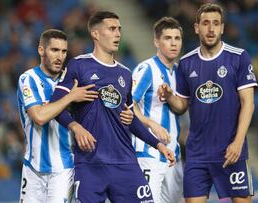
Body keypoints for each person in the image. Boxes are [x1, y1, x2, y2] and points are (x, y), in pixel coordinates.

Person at [50, 11, 175, 203]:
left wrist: (158, 145)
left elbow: (130, 117)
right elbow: (55, 106)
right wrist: (76, 127)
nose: (118, 33)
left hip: (125, 163)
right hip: (91, 164)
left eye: (119, 29)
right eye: (112, 29)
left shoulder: (124, 74)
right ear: (96, 34)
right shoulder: (79, 66)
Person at [16, 29, 133, 203]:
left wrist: (130, 113)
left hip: (64, 169)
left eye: (64, 51)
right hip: (33, 168)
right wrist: (71, 96)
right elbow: (39, 117)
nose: (60, 56)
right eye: (54, 50)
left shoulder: (72, 79)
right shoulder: (29, 79)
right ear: (41, 50)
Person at [158, 3, 257, 203]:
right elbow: (182, 106)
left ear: (222, 28)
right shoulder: (186, 63)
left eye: (215, 23)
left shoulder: (238, 57)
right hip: (197, 155)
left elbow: (248, 103)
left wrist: (238, 143)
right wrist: (169, 97)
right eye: (205, 23)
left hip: (231, 151)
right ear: (196, 28)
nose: (210, 29)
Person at [132, 16, 183, 203]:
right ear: (156, 41)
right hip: (148, 154)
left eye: (177, 38)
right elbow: (128, 105)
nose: (173, 43)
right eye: (167, 38)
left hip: (173, 156)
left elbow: (181, 108)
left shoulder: (180, 72)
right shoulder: (146, 69)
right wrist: (150, 123)